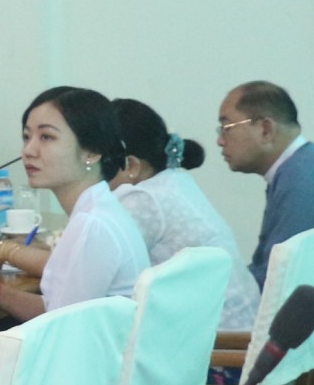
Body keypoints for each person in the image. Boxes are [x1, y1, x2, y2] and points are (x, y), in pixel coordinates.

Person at [0, 87, 150, 351]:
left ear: (91, 152)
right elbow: (57, 311)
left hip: (94, 371)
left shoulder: (93, 226)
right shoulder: (98, 210)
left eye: (46, 137)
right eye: (27, 137)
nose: (28, 150)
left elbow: (59, 346)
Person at [109, 98, 262, 332]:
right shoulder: (173, 180)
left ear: (131, 165)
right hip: (244, 330)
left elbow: (95, 271)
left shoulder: (142, 199)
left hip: (222, 344)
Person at [215, 80, 314, 288]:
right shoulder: (306, 165)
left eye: (226, 128)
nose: (220, 141)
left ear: (266, 129)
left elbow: (282, 280)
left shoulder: (302, 181)